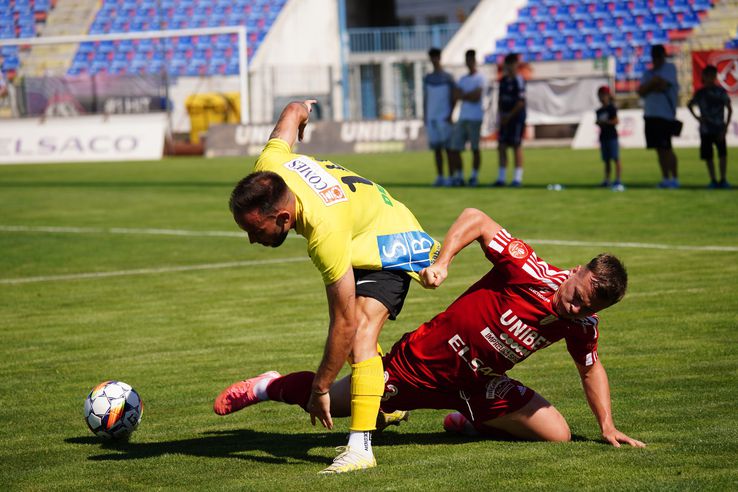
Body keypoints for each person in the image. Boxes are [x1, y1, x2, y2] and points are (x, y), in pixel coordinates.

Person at [224, 208, 646, 453]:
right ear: (576, 271)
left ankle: (467, 421)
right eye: (578, 295)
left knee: (558, 435)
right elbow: (476, 218)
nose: (576, 307)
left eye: (588, 307)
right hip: (420, 365)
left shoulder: (581, 325)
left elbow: (592, 369)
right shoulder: (528, 269)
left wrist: (607, 425)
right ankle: (266, 386)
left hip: (478, 384)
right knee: (329, 401)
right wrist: (443, 263)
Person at [214, 100, 440, 474]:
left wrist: (321, 388)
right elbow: (288, 116)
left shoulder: (325, 232)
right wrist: (303, 109)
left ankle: (360, 448)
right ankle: (385, 404)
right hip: (358, 224)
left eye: (257, 230)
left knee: (360, 333)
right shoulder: (269, 169)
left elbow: (345, 322)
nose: (253, 240)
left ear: (284, 217)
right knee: (354, 341)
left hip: (389, 238)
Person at [638, 44, 680, 189]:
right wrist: (653, 84)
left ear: (663, 56)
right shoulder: (648, 73)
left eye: (658, 56)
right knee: (658, 149)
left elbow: (662, 84)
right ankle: (665, 178)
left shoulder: (669, 68)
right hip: (650, 115)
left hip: (665, 115)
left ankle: (675, 178)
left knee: (667, 148)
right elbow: (641, 91)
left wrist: (652, 85)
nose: (656, 59)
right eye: (654, 56)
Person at [687, 65, 732, 189]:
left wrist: (726, 127)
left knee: (722, 155)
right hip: (706, 129)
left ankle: (723, 179)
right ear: (704, 77)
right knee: (708, 156)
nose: (711, 78)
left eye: (713, 75)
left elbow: (729, 109)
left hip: (719, 128)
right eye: (709, 75)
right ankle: (713, 180)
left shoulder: (720, 91)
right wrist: (698, 118)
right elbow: (689, 105)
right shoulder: (700, 93)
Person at [448, 49, 486, 186]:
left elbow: (476, 97)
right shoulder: (463, 79)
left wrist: (464, 95)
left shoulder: (481, 78)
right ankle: (460, 176)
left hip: (475, 118)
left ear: (474, 61)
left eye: (471, 60)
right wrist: (467, 95)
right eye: (467, 60)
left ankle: (474, 176)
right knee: (455, 148)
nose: (469, 62)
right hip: (463, 117)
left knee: (475, 149)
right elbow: (456, 95)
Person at [423, 47, 455, 187]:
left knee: (448, 149)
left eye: (436, 57)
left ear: (439, 58)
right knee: (436, 149)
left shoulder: (448, 77)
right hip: (432, 118)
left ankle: (451, 177)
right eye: (432, 57)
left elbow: (454, 96)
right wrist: (425, 115)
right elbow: (426, 98)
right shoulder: (428, 78)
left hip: (444, 117)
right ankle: (440, 176)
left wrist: (451, 113)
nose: (434, 60)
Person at [595, 85, 624, 191]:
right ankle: (607, 180)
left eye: (603, 94)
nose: (601, 97)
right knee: (606, 160)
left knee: (615, 158)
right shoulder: (598, 110)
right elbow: (598, 122)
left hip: (612, 136)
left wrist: (605, 122)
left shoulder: (611, 108)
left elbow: (616, 121)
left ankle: (618, 180)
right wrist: (599, 123)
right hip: (603, 137)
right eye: (600, 95)